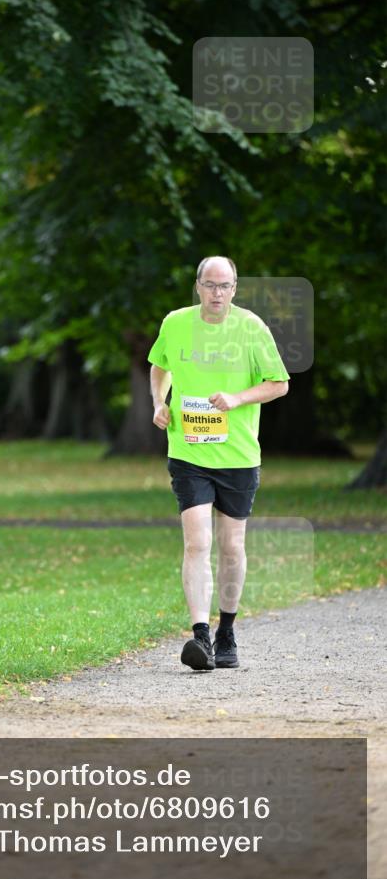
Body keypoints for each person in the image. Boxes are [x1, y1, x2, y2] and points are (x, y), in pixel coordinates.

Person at [148, 256, 290, 671]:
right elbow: (159, 367)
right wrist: (159, 402)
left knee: (231, 546)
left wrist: (237, 399)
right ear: (197, 286)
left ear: (235, 289)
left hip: (238, 456)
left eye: (224, 286)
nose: (216, 293)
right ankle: (200, 637)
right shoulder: (175, 323)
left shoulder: (252, 328)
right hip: (188, 452)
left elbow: (279, 384)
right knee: (197, 543)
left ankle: (226, 631)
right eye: (210, 285)